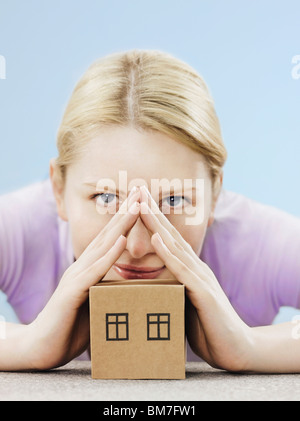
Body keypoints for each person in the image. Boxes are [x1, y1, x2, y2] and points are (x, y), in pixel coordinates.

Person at [0, 50, 300, 372]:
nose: (138, 246)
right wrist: (27, 344)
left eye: (173, 201)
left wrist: (250, 347)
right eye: (105, 197)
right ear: (58, 191)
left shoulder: (253, 243)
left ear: (214, 197)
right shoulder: (24, 228)